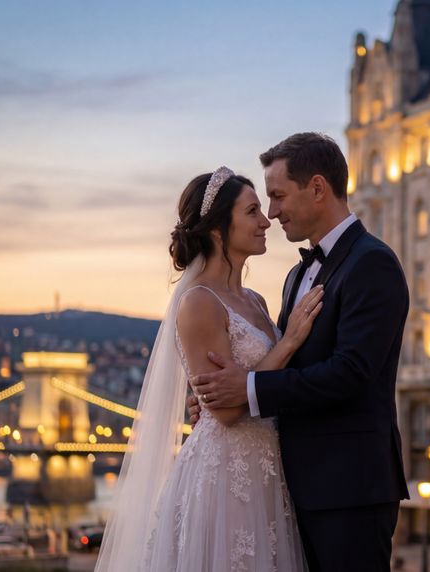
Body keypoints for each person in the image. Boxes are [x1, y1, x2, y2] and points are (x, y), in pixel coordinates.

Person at [189, 132, 410, 572]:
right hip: (289, 490)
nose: (272, 213)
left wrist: (247, 390)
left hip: (349, 490)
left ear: (317, 188)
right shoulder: (295, 276)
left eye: (277, 196)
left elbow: (351, 373)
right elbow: (286, 361)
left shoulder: (373, 263)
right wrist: (217, 398)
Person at [96, 166, 321, 572]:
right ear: (218, 229)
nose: (265, 221)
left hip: (269, 472)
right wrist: (288, 341)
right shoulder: (199, 302)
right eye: (252, 211)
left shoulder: (256, 301)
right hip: (225, 478)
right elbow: (228, 410)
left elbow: (255, 383)